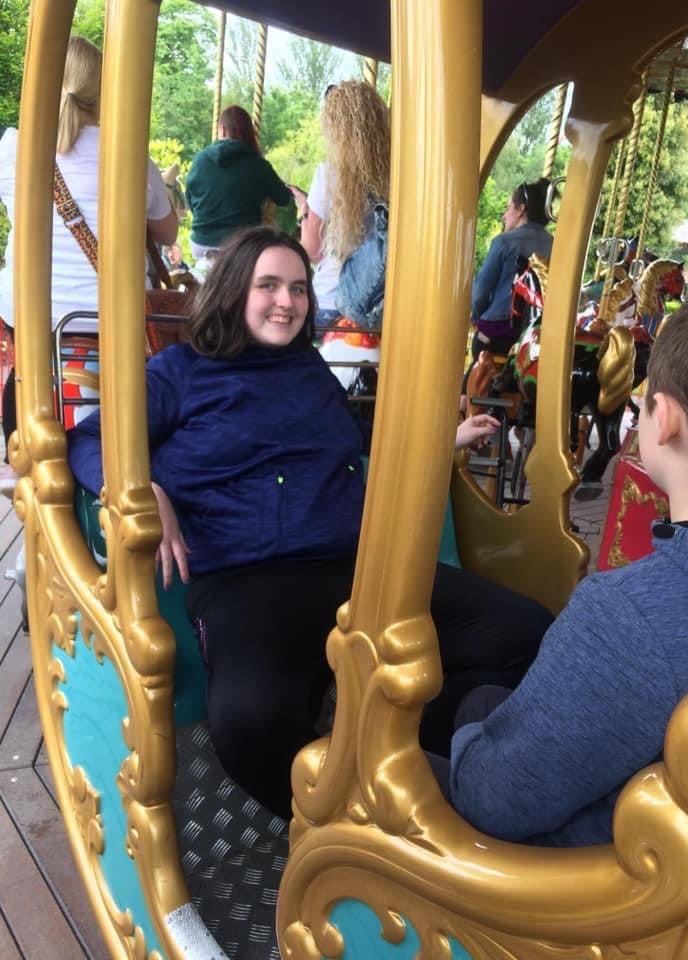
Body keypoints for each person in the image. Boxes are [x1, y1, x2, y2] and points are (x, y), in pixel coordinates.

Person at [67, 225, 552, 819]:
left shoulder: (309, 371)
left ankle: (408, 756)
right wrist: (142, 487)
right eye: (268, 285)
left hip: (354, 568)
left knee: (526, 633)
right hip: (246, 580)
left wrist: (442, 438)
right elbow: (89, 439)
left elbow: (353, 435)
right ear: (233, 290)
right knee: (249, 720)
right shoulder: (181, 373)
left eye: (298, 288)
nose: (287, 301)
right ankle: (326, 824)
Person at [441, 289, 688, 846]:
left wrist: (469, 740)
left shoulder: (627, 616)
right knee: (488, 697)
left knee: (412, 753)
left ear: (664, 420)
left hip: (599, 877)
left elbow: (494, 799)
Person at [0, 35, 177, 466]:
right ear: (103, 89)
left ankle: (19, 457)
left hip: (33, 323)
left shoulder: (13, 148)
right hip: (112, 321)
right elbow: (168, 232)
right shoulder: (130, 157)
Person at [290, 81, 391, 330]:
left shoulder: (329, 174)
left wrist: (305, 211)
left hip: (332, 302)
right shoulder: (395, 177)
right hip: (382, 307)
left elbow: (312, 250)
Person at [185, 105, 292, 258]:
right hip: (241, 247)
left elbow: (190, 200)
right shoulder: (258, 165)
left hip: (201, 243)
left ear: (222, 130)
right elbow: (284, 199)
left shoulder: (200, 159)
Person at [470, 178, 553, 356]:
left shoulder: (503, 242)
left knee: (478, 350)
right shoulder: (556, 245)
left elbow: (480, 293)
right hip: (538, 335)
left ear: (521, 209)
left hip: (499, 332)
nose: (504, 215)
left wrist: (477, 318)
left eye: (508, 208)